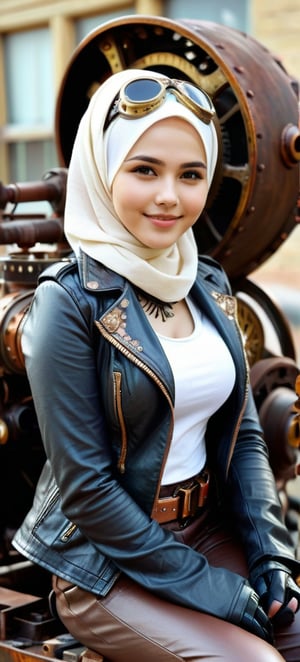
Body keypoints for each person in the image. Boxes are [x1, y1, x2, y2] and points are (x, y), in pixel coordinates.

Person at [13, 68, 300, 662]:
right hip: (103, 562)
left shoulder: (208, 282)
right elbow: (87, 490)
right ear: (103, 169)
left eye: (190, 175)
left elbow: (244, 435)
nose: (170, 195)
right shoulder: (66, 300)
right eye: (145, 170)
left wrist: (270, 549)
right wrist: (209, 588)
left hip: (207, 528)